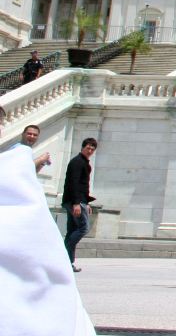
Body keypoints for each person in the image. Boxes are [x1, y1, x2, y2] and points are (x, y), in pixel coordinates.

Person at [0, 106, 97, 335]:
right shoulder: (76, 162)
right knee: (75, 232)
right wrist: (76, 202)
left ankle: (68, 255)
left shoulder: (17, 159)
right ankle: (68, 255)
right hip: (72, 204)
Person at [63, 137, 99, 273]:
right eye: (88, 148)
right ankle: (64, 255)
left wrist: (86, 202)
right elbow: (74, 183)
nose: (90, 151)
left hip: (76, 201)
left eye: (92, 149)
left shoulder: (82, 162)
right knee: (83, 228)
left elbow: (83, 186)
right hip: (74, 202)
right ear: (82, 147)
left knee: (72, 230)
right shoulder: (78, 162)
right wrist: (77, 203)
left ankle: (66, 262)